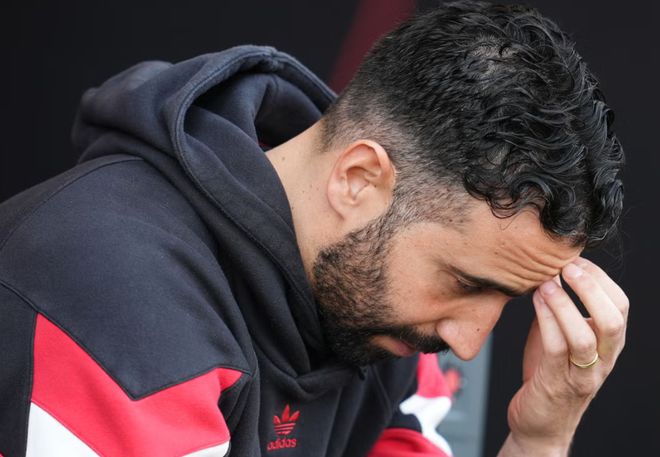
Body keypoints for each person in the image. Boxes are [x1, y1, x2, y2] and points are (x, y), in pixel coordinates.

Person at [0, 1, 627, 456]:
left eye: (505, 299)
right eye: (465, 283)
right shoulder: (112, 290)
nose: (467, 343)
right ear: (358, 179)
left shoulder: (381, 312)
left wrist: (540, 436)